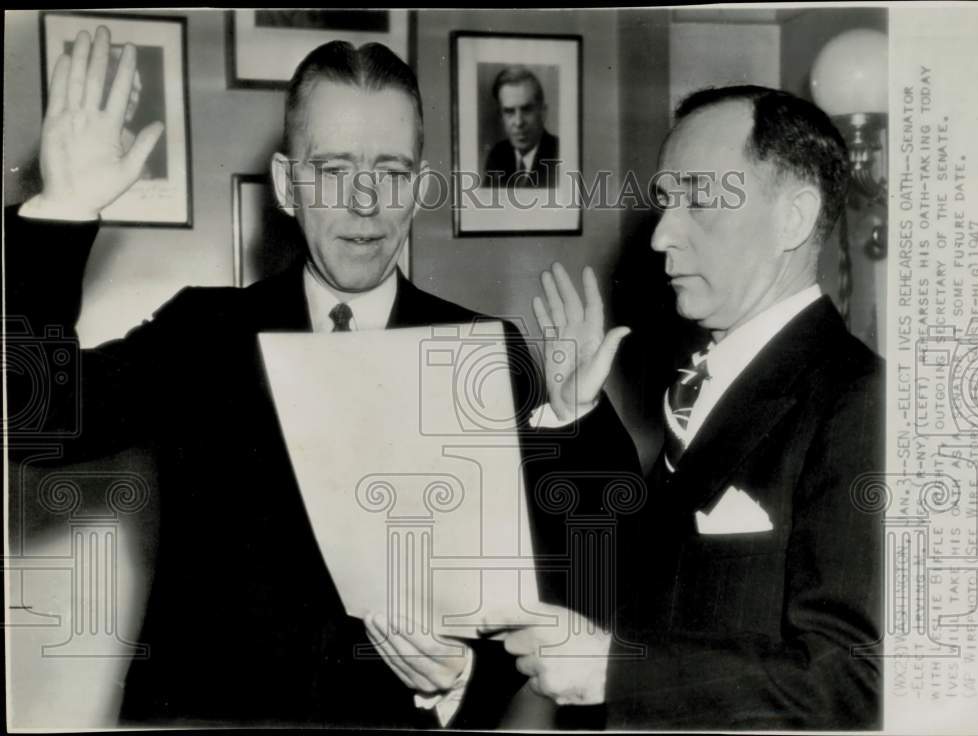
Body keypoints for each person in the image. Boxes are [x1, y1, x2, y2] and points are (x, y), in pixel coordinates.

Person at [6, 28, 638, 728]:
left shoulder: (488, 351)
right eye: (334, 169)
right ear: (286, 184)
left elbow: (588, 565)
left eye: (392, 172)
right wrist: (59, 213)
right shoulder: (202, 334)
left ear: (422, 187)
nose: (365, 203)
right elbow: (33, 421)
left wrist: (573, 419)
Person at [500, 85, 884, 729]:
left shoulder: (861, 402)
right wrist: (574, 416)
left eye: (698, 198)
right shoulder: (717, 377)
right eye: (665, 202)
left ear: (793, 217)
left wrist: (615, 672)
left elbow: (852, 681)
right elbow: (637, 582)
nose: (661, 235)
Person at [483, 67, 560, 188]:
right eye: (509, 112)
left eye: (527, 110)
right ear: (501, 118)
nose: (518, 122)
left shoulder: (560, 153)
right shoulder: (497, 156)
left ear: (543, 113)